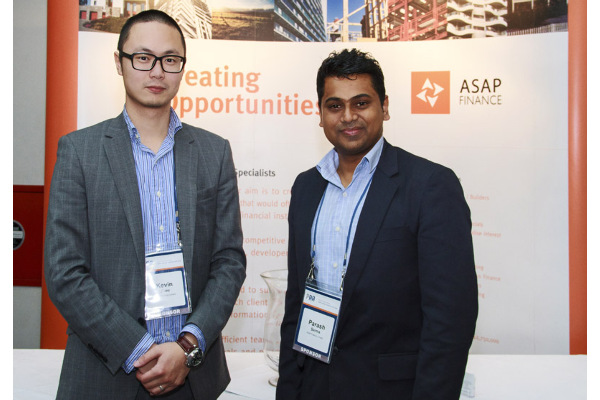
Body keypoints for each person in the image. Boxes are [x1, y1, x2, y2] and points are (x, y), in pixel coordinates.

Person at [44, 10, 246, 400]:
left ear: (182, 67)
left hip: (192, 377)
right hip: (104, 375)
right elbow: (64, 272)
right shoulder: (79, 152)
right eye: (143, 57)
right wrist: (139, 351)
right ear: (119, 62)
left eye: (169, 60)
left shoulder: (214, 152)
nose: (156, 71)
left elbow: (229, 262)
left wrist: (187, 347)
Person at [277, 48, 478, 400]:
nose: (348, 116)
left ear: (384, 107)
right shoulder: (306, 187)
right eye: (335, 105)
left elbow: (450, 320)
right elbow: (297, 303)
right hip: (315, 386)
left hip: (392, 390)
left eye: (361, 103)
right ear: (320, 114)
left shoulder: (430, 186)